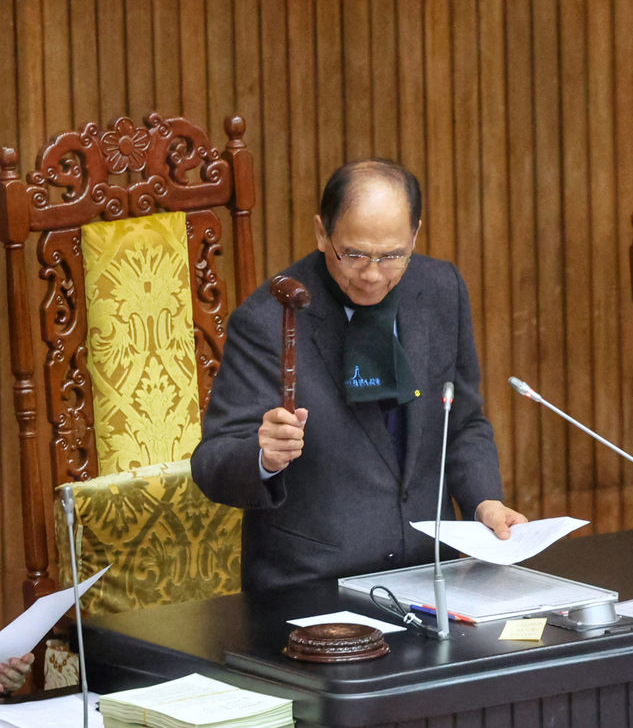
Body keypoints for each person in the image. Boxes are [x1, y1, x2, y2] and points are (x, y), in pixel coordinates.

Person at [191, 159, 527, 591]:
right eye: (352, 254)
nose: (371, 275)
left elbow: (461, 421)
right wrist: (264, 458)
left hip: (432, 573)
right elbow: (211, 462)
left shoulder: (442, 289)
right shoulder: (269, 319)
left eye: (391, 256)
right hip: (311, 586)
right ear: (320, 233)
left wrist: (485, 501)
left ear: (414, 236)